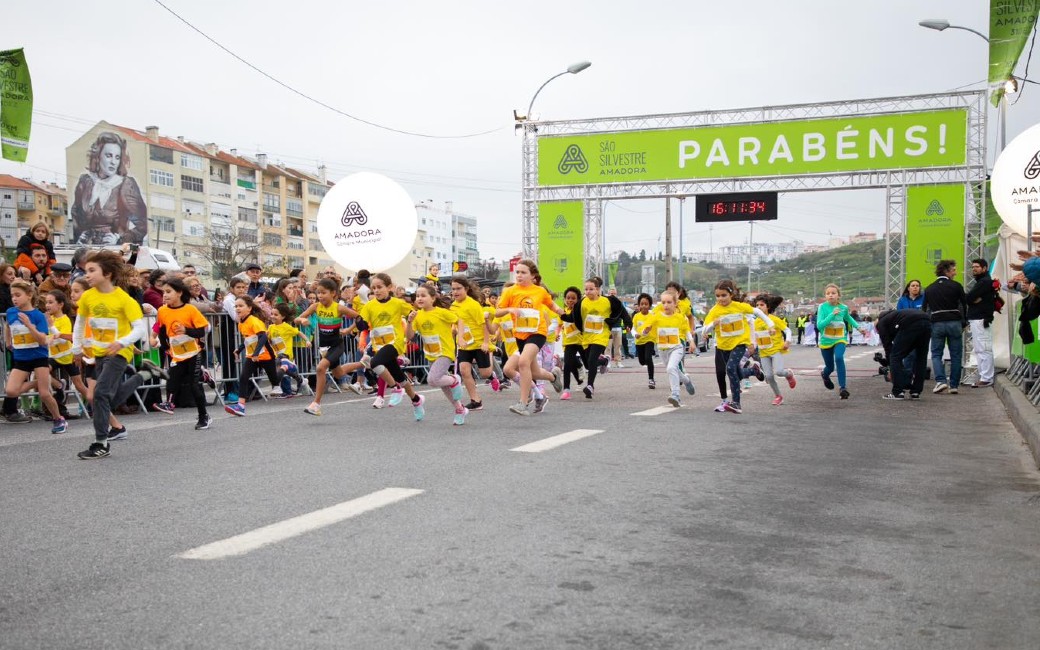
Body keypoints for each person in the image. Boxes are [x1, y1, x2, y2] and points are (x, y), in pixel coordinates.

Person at [73, 251, 166, 459]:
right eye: (86, 270)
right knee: (105, 398)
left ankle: (101, 443)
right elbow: (80, 323)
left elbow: (139, 329)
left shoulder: (124, 299)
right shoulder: (88, 296)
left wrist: (122, 342)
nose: (86, 275)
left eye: (91, 270)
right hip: (98, 352)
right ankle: (144, 375)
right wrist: (77, 347)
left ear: (106, 273)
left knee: (100, 395)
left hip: (120, 352)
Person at [495, 260, 565, 415]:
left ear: (533, 275)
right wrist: (510, 309)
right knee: (534, 372)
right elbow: (497, 312)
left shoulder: (539, 291)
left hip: (538, 332)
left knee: (522, 362)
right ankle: (553, 376)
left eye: (523, 272)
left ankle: (523, 403)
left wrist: (564, 314)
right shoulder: (509, 291)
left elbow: (551, 304)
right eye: (517, 272)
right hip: (520, 334)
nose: (519, 275)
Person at [356, 273, 426, 419]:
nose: (376, 290)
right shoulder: (369, 306)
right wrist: (359, 321)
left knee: (374, 362)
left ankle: (395, 388)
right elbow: (362, 325)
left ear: (389, 287)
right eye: (373, 288)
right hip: (379, 345)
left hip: (395, 343)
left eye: (380, 287)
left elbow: (414, 313)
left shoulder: (397, 303)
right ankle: (416, 400)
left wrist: (414, 318)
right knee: (400, 376)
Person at [700, 280, 772, 415]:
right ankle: (753, 371)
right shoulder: (715, 310)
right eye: (718, 296)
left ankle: (736, 403)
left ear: (731, 294)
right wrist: (713, 325)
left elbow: (757, 311)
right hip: (723, 346)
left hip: (739, 343)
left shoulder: (739, 306)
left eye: (724, 295)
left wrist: (770, 324)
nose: (720, 299)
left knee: (730, 368)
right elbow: (704, 329)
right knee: (736, 373)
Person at [3, 281, 66, 431]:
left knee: (45, 394)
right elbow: (7, 325)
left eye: (18, 295)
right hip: (21, 357)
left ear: (29, 295)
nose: (14, 299)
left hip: (38, 356)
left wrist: (29, 325)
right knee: (11, 391)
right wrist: (8, 341)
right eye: (12, 295)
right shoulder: (12, 312)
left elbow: (43, 340)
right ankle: (39, 382)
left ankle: (59, 419)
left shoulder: (38, 316)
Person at [150, 278, 212, 429]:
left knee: (193, 385)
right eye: (163, 292)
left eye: (168, 291)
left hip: (193, 352)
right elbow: (161, 328)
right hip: (176, 353)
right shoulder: (162, 310)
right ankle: (169, 403)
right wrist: (154, 338)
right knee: (172, 379)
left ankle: (203, 416)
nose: (164, 295)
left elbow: (201, 331)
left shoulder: (190, 310)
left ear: (179, 293)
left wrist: (186, 330)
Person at [298, 278, 363, 416]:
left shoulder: (339, 307)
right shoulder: (315, 307)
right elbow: (297, 318)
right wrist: (302, 319)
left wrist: (348, 329)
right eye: (318, 293)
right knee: (338, 373)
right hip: (323, 346)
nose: (320, 296)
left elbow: (359, 317)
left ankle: (316, 404)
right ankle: (363, 363)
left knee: (321, 368)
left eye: (323, 293)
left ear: (333, 293)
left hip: (336, 345)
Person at [407, 283, 468, 425]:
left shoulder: (441, 312)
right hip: (431, 353)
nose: (419, 298)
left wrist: (460, 337)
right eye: (417, 296)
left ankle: (454, 380)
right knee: (444, 386)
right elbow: (410, 336)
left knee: (432, 380)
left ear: (433, 298)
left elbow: (459, 320)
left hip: (445, 352)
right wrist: (409, 322)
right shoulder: (417, 315)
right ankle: (459, 409)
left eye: (423, 295)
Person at [71, 131, 146, 245]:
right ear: (98, 156)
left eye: (117, 157)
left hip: (113, 252)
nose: (113, 162)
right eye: (109, 155)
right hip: (86, 249)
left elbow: (143, 225)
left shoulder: (126, 184)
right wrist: (80, 236)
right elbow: (76, 216)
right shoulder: (85, 182)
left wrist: (120, 239)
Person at [559, 275, 624, 400]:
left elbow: (620, 310)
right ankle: (603, 361)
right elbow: (571, 318)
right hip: (585, 338)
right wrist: (559, 313)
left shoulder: (606, 301)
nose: (588, 292)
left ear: (598, 290)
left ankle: (590, 386)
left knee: (591, 360)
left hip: (600, 336)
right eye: (586, 289)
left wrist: (627, 322)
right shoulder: (582, 304)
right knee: (586, 363)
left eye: (591, 289)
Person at [224, 296, 281, 416]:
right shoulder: (241, 322)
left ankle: (288, 369)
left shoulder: (254, 321)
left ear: (249, 308)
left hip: (266, 355)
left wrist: (256, 353)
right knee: (244, 377)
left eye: (241, 306)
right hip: (252, 356)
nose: (237, 308)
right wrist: (239, 349)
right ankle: (240, 406)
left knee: (275, 381)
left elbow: (263, 337)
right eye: (236, 306)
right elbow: (249, 339)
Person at [638, 289, 695, 407]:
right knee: (674, 370)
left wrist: (692, 342)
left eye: (669, 302)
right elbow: (644, 330)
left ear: (675, 303)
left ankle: (675, 395)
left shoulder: (680, 317)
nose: (666, 305)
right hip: (663, 349)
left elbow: (686, 330)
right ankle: (687, 381)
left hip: (676, 348)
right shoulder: (656, 316)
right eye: (663, 302)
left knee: (671, 368)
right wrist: (645, 331)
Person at [451, 276, 498, 411]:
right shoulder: (453, 306)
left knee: (484, 373)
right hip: (464, 344)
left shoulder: (473, 304)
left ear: (466, 289)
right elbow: (456, 322)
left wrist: (485, 342)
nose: (455, 292)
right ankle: (476, 400)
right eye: (453, 289)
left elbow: (483, 324)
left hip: (478, 342)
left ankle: (491, 374)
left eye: (458, 288)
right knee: (464, 370)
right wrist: (454, 331)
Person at [922, 259, 967, 394]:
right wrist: (964, 323)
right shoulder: (956, 286)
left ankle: (941, 381)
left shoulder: (929, 288)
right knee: (956, 355)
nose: (955, 272)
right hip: (954, 322)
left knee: (936, 354)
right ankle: (954, 385)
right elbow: (964, 306)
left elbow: (925, 309)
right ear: (946, 271)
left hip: (937, 323)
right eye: (953, 270)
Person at [817, 283, 867, 400]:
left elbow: (848, 318)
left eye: (833, 293)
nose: (831, 295)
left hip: (840, 339)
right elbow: (820, 325)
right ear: (825, 296)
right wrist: (831, 315)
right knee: (830, 367)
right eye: (828, 293)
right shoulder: (822, 307)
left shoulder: (843, 308)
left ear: (838, 295)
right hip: (826, 340)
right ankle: (825, 375)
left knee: (839, 358)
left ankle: (843, 388)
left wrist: (859, 328)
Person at [44, 290, 87, 420]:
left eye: (51, 302)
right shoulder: (48, 319)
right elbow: (46, 337)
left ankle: (95, 405)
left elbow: (63, 339)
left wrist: (51, 327)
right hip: (54, 356)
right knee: (42, 372)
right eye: (46, 302)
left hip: (67, 356)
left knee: (79, 385)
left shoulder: (65, 319)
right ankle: (59, 386)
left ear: (60, 304)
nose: (47, 305)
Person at [876, 308, 932, 400]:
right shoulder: (896, 316)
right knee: (921, 358)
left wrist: (891, 367)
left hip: (910, 323)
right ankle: (916, 392)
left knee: (894, 356)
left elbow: (888, 349)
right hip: (926, 321)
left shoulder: (882, 323)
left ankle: (898, 392)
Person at [753, 294, 796, 406]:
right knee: (769, 376)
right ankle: (778, 396)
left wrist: (787, 341)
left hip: (776, 349)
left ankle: (789, 374)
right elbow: (752, 336)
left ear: (768, 307)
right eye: (756, 305)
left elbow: (787, 330)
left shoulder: (774, 320)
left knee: (779, 372)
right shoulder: (755, 322)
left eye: (761, 305)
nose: (758, 307)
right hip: (763, 352)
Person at [965, 258, 996, 388]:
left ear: (985, 268)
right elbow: (971, 298)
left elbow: (968, 298)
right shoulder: (983, 282)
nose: (974, 269)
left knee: (983, 349)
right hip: (978, 319)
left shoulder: (984, 282)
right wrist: (972, 299)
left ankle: (987, 377)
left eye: (977, 267)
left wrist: (972, 299)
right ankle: (984, 376)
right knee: (980, 349)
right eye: (973, 267)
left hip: (981, 319)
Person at [558, 286, 586, 399]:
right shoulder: (563, 312)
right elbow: (560, 325)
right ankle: (566, 390)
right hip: (569, 342)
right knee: (568, 365)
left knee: (589, 363)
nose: (570, 300)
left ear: (578, 299)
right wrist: (556, 333)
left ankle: (602, 360)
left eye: (573, 298)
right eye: (568, 298)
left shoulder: (581, 311)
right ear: (565, 299)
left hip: (582, 341)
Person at [631, 293, 656, 389]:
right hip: (639, 341)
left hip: (649, 340)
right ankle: (648, 364)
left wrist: (647, 332)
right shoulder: (636, 316)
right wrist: (635, 334)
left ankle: (651, 379)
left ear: (649, 305)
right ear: (639, 305)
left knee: (648, 358)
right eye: (642, 304)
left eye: (646, 304)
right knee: (642, 361)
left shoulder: (652, 315)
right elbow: (633, 328)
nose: (644, 306)